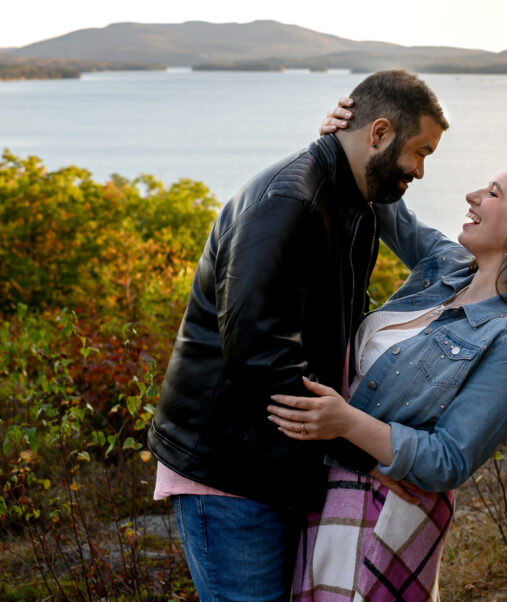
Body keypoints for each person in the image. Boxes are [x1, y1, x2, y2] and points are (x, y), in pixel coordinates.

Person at [146, 70, 448, 602]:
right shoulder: (288, 200)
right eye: (419, 152)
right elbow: (260, 350)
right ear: (378, 134)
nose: (421, 171)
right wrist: (362, 451)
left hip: (274, 463)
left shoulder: (353, 202)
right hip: (229, 471)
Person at [267, 103, 507, 600]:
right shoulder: (447, 265)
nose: (472, 195)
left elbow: (448, 460)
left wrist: (345, 423)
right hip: (330, 484)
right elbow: (387, 206)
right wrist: (351, 142)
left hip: (385, 514)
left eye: (493, 193)